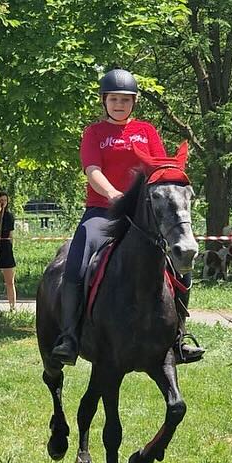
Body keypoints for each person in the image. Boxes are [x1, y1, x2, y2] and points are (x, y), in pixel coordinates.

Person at [49, 68, 202, 364]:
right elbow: (92, 170)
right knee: (77, 263)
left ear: (134, 103)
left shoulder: (146, 131)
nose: (119, 104)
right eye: (114, 99)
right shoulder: (94, 133)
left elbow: (158, 169)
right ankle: (69, 336)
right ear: (104, 101)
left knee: (181, 263)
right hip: (102, 212)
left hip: (144, 216)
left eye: (126, 100)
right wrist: (112, 194)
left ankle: (179, 336)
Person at [0, 190, 17, 313]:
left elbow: (10, 234)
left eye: (5, 200)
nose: (3, 202)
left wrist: (10, 246)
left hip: (6, 248)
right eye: (1, 200)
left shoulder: (9, 216)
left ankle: (12, 307)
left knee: (9, 281)